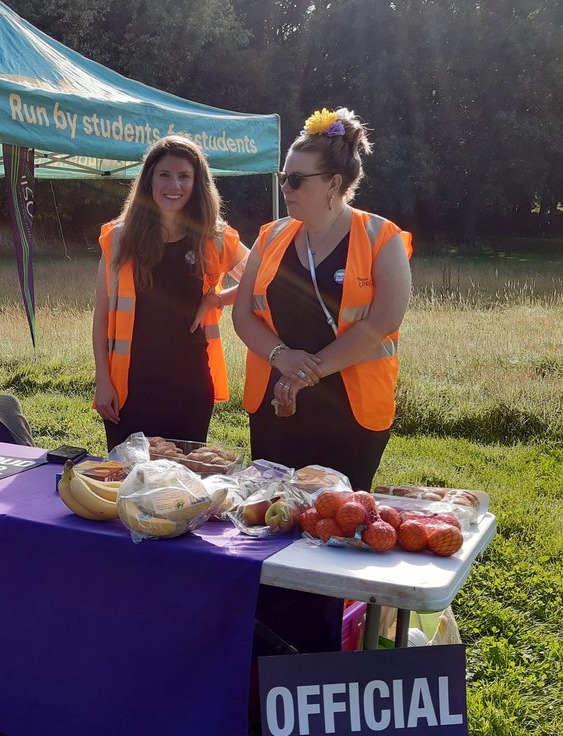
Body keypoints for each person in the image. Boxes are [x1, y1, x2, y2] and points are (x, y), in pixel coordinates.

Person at [232, 106, 413, 654]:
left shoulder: (381, 237)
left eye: (295, 180)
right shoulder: (271, 236)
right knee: (275, 522)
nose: (285, 188)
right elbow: (243, 316)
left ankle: (322, 655)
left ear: (334, 184)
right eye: (284, 178)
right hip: (277, 405)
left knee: (336, 529)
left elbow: (384, 322)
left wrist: (309, 370)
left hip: (350, 414)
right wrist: (283, 357)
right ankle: (269, 649)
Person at [93, 136, 249, 451]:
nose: (173, 184)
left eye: (184, 176)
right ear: (149, 180)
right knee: (127, 481)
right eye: (164, 174)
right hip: (129, 387)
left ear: (197, 183)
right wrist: (103, 380)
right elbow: (102, 315)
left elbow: (264, 278)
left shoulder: (215, 238)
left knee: (181, 486)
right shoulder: (119, 239)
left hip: (189, 387)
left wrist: (219, 299)